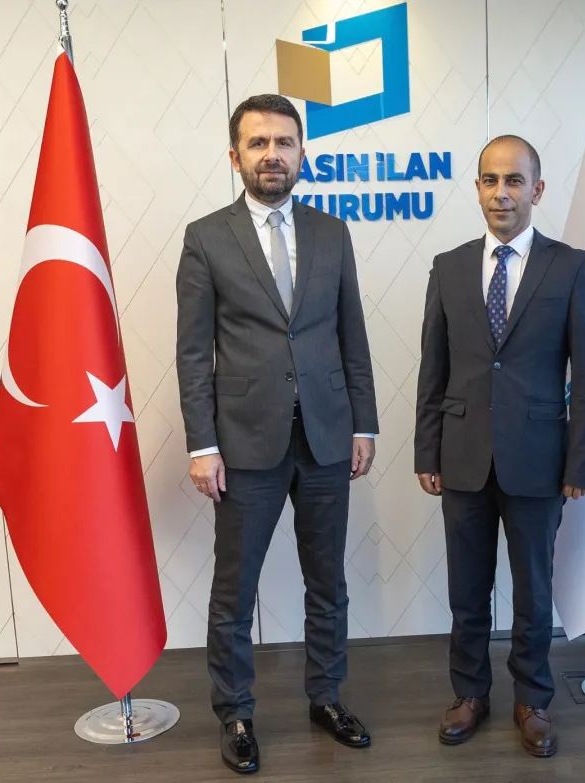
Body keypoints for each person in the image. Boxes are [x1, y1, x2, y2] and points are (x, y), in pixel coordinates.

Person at [176, 94, 379, 775]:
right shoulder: (206, 237)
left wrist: (363, 422)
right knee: (235, 591)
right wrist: (202, 444)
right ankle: (235, 712)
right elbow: (193, 352)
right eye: (258, 142)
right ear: (235, 155)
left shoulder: (333, 233)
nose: (272, 154)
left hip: (326, 436)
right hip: (243, 444)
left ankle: (327, 697)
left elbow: (352, 336)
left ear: (301, 154)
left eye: (284, 142)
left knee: (329, 582)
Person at [414, 135, 585, 758]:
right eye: (491, 180)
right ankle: (470, 693)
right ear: (477, 189)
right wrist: (426, 452)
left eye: (515, 181)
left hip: (540, 461)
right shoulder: (447, 267)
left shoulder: (571, 267)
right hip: (462, 458)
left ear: (537, 190)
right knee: (467, 592)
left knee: (533, 592)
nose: (502, 193)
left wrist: (582, 461)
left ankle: (533, 699)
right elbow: (433, 369)